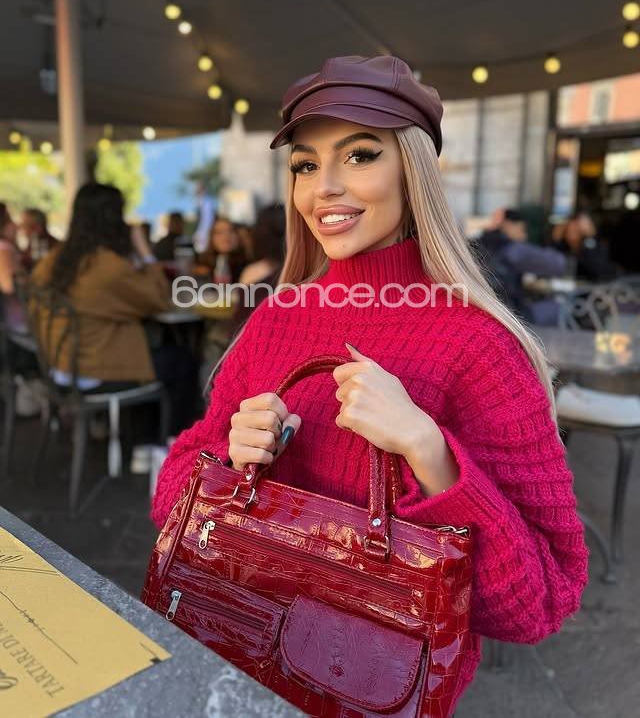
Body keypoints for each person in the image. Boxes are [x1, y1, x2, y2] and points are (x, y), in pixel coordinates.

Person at [152, 56, 588, 714]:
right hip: (238, 662)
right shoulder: (276, 318)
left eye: (359, 155)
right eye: (305, 165)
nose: (324, 188)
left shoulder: (479, 347)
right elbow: (170, 501)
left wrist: (429, 452)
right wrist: (227, 458)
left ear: (413, 171)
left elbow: (540, 604)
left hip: (372, 693)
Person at [32, 183, 198, 434]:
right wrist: (145, 251)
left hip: (60, 365)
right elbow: (160, 299)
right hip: (96, 369)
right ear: (114, 218)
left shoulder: (53, 260)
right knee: (183, 361)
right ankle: (168, 443)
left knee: (166, 354)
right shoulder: (107, 267)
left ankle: (140, 435)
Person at [474, 208, 567, 325]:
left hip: (482, 312)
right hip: (511, 317)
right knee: (560, 308)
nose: (525, 235)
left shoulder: (478, 243)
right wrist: (557, 238)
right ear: (508, 225)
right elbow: (558, 264)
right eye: (522, 229)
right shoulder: (513, 250)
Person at [552, 211, 617, 282]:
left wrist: (590, 236)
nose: (571, 233)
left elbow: (597, 270)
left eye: (575, 230)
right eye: (568, 229)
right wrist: (556, 238)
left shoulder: (592, 247)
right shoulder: (562, 248)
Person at [196, 216, 248, 284]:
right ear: (211, 237)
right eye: (220, 232)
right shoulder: (200, 265)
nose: (226, 236)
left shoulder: (248, 267)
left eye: (230, 231)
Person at [0, 203, 25, 330]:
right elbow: (9, 286)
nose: (16, 225)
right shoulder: (3, 249)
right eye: (9, 219)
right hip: (19, 321)